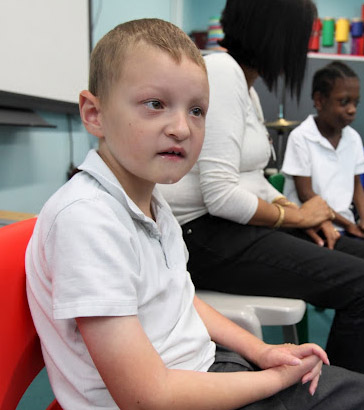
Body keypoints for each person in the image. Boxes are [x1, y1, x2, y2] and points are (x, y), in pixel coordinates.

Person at [24, 17, 364, 410]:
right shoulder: (88, 220)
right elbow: (146, 396)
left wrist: (262, 352)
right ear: (94, 114)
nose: (182, 128)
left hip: (206, 369)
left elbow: (182, 298)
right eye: (156, 104)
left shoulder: (152, 203)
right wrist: (271, 380)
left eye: (198, 111)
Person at [158, 0, 364, 374]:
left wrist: (297, 213)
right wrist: (296, 214)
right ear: (278, 36)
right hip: (202, 235)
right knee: (360, 285)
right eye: (302, 37)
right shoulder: (220, 72)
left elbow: (252, 178)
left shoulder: (245, 86)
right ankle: (341, 394)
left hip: (231, 226)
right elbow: (221, 196)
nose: (303, 48)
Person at [282, 61, 364, 248]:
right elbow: (305, 194)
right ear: (319, 101)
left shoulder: (353, 138)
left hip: (345, 226)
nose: (352, 110)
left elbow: (356, 184)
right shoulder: (301, 137)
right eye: (344, 102)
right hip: (311, 226)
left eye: (355, 103)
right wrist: (349, 225)